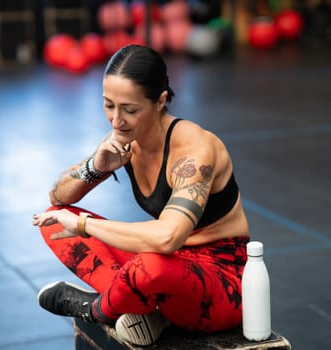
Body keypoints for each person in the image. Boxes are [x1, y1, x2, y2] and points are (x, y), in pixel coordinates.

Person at [32, 44, 250, 346]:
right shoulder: (126, 139)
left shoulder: (194, 150)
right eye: (108, 105)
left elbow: (166, 239)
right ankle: (144, 310)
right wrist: (95, 166)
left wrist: (84, 225)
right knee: (56, 220)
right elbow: (58, 195)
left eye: (130, 110)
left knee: (150, 266)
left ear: (160, 101)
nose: (116, 120)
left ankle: (97, 309)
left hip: (223, 285)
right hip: (172, 265)